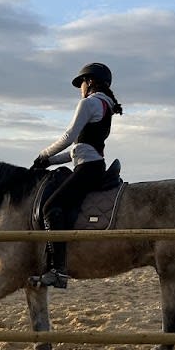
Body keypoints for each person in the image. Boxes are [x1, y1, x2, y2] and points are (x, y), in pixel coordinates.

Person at [29, 62, 124, 288]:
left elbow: (69, 137)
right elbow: (80, 150)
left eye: (81, 82)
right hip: (92, 164)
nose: (80, 87)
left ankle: (58, 270)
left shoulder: (88, 103)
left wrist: (43, 154)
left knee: (51, 208)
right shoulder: (105, 105)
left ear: (89, 81)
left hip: (88, 168)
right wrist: (50, 162)